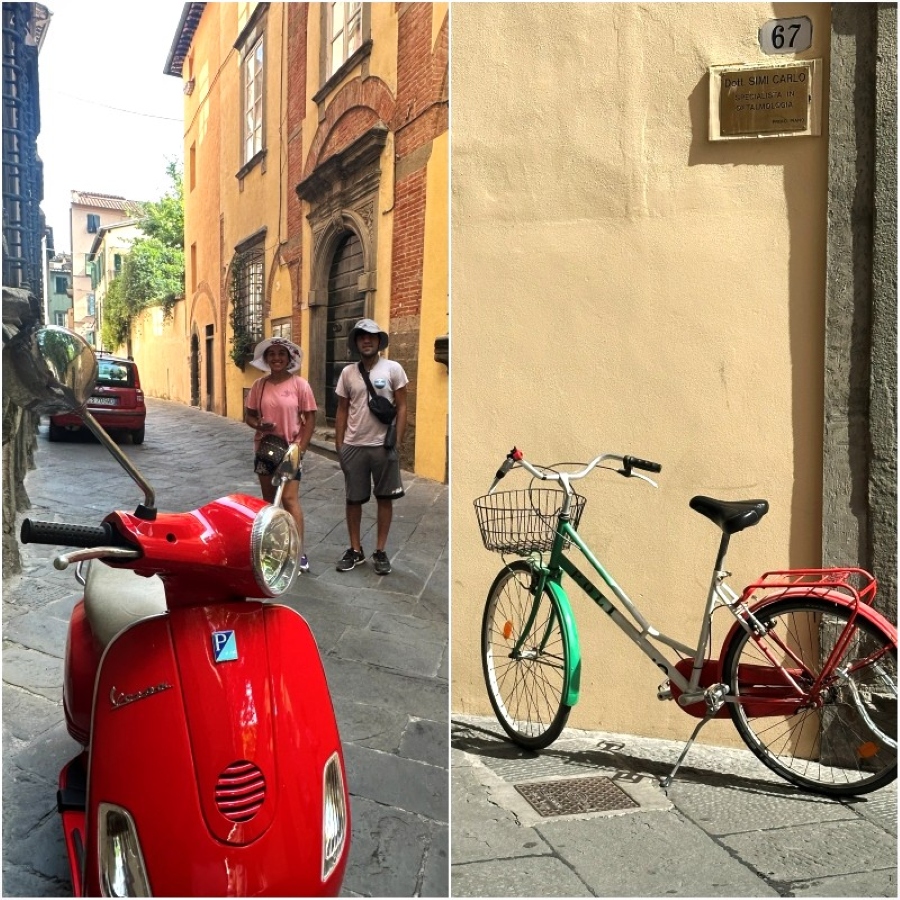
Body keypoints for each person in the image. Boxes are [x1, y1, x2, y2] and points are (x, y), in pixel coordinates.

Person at [334, 318, 408, 575]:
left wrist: (397, 442)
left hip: (383, 446)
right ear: (356, 342)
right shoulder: (347, 373)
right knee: (353, 499)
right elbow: (342, 410)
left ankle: (380, 550)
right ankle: (356, 549)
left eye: (372, 336)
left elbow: (402, 406)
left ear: (378, 341)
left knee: (384, 498)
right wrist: (340, 445)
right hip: (354, 445)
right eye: (362, 336)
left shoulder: (393, 369)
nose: (367, 340)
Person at [244, 337, 317, 573]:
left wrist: (301, 448)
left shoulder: (300, 385)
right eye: (272, 354)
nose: (276, 358)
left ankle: (297, 551)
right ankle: (275, 548)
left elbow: (310, 418)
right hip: (265, 448)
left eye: (281, 354)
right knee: (269, 502)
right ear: (266, 359)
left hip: (290, 448)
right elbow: (249, 415)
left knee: (289, 499)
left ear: (289, 358)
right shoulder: (259, 386)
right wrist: (258, 425)